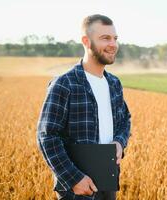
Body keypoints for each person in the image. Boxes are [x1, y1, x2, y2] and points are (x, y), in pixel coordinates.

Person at [36, 14, 131, 200]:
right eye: (105, 38)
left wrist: (120, 142)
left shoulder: (114, 84)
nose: (113, 44)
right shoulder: (64, 84)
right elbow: (46, 136)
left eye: (115, 38)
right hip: (76, 190)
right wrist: (74, 179)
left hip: (108, 182)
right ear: (86, 41)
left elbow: (125, 120)